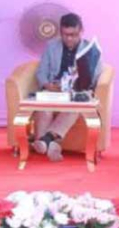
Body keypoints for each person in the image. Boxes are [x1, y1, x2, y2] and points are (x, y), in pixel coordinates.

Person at [33, 13, 102, 162]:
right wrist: (47, 84)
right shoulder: (52, 46)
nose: (69, 39)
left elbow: (96, 75)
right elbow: (41, 72)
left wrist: (82, 82)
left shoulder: (89, 49)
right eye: (65, 35)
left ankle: (46, 140)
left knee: (75, 107)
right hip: (54, 90)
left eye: (74, 35)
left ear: (81, 31)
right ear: (60, 32)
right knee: (43, 108)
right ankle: (51, 144)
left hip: (76, 93)